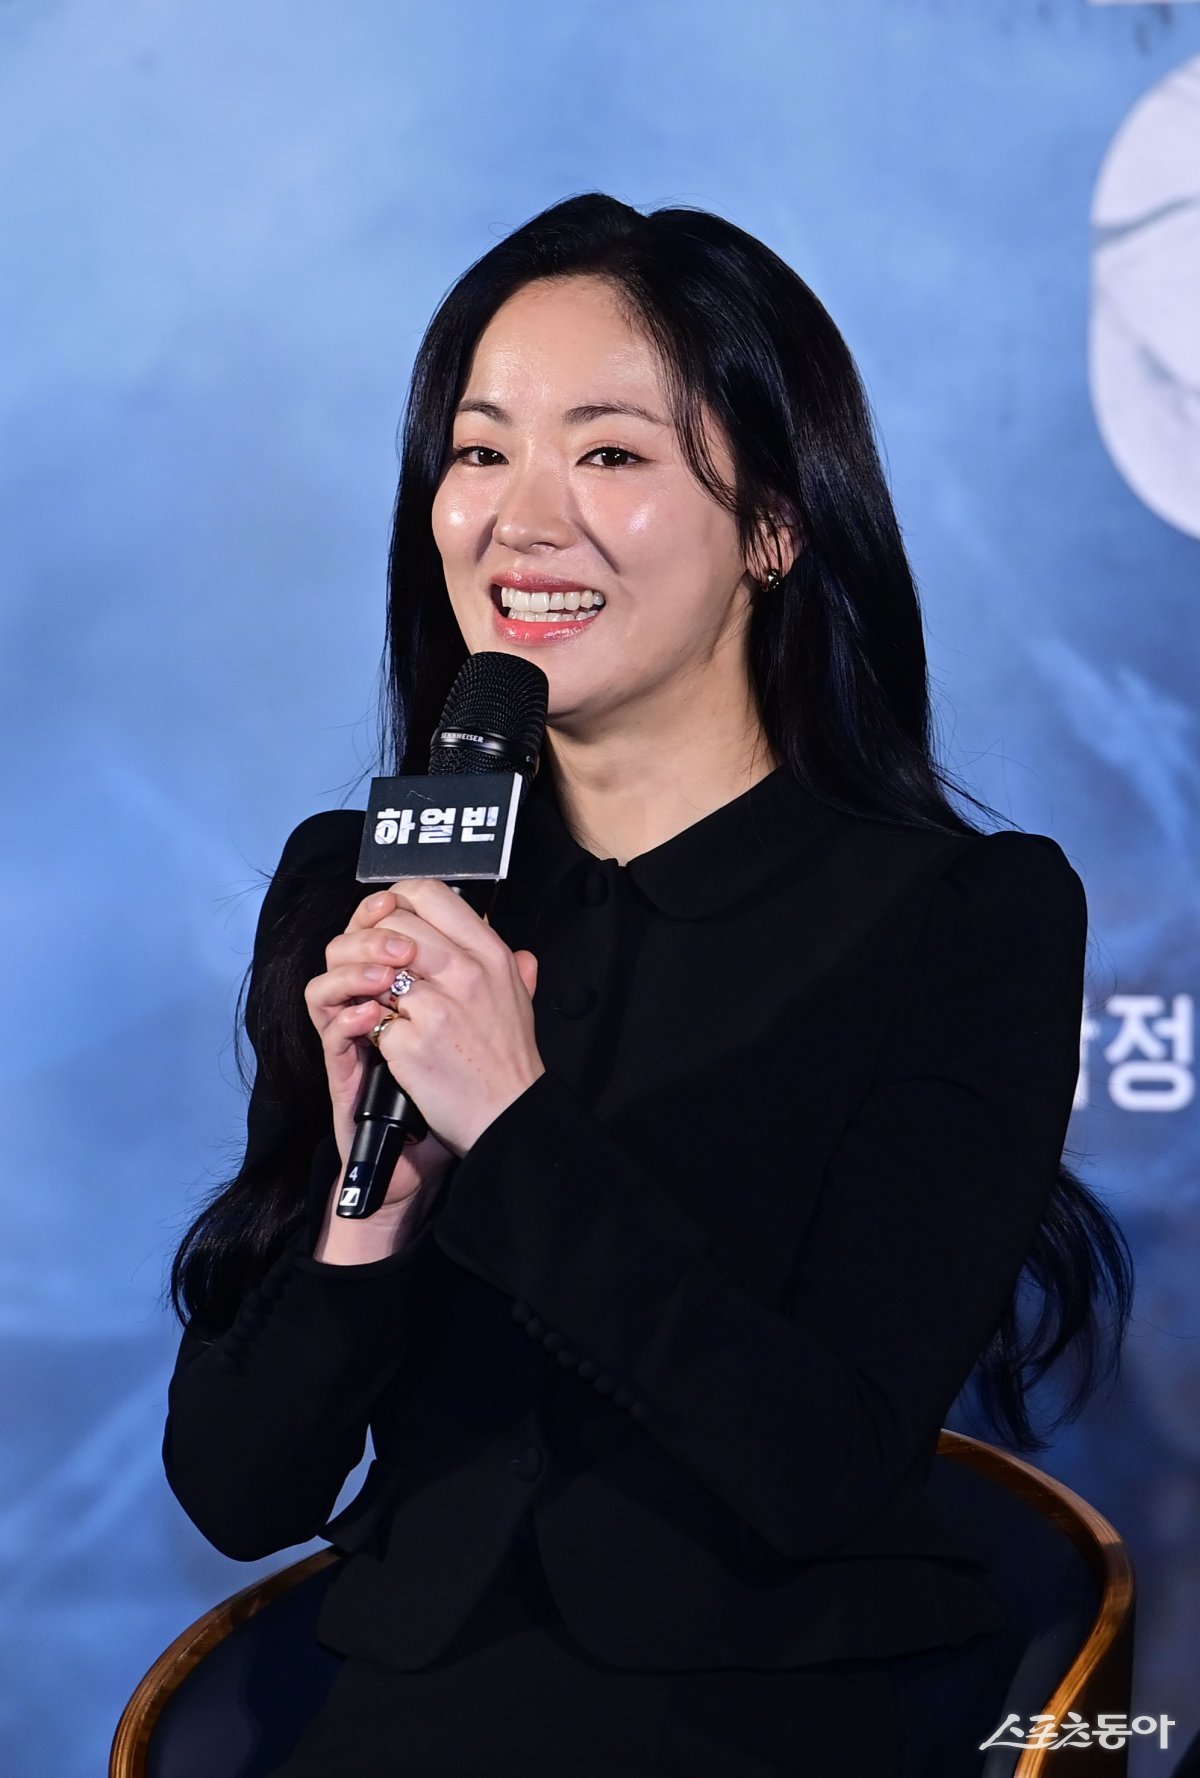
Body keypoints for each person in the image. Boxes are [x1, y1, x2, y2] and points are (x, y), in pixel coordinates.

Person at [164, 192, 1133, 1778]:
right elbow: (235, 1488)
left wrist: (515, 1122)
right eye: (480, 453)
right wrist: (367, 1215)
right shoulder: (369, 880)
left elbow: (820, 1459)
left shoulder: (960, 917)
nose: (519, 519)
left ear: (775, 523)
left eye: (609, 453)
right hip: (393, 1726)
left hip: (760, 1726)